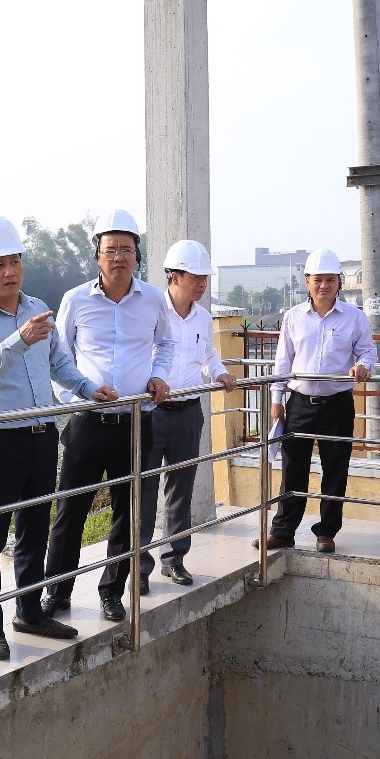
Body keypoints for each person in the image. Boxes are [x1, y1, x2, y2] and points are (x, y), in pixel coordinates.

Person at [0, 216, 115, 661]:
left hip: (42, 437)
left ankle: (29, 612)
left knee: (34, 530)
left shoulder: (38, 307)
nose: (10, 271)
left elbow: (59, 363)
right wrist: (19, 340)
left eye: (15, 262)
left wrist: (88, 389)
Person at [40, 209, 174, 623]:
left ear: (137, 256)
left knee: (128, 512)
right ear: (97, 255)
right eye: (111, 249)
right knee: (70, 512)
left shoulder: (153, 299)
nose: (119, 257)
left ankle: (112, 592)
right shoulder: (76, 299)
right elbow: (57, 354)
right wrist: (74, 397)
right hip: (87, 423)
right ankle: (56, 592)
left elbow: (166, 344)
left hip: (135, 422)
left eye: (127, 250)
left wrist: (159, 375)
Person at [258, 248, 375, 553]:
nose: (324, 285)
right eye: (318, 280)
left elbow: (367, 351)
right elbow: (283, 360)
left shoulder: (355, 317)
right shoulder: (293, 317)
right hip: (299, 402)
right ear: (307, 282)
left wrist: (363, 365)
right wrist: (276, 397)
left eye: (330, 280)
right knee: (292, 470)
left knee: (335, 469)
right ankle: (283, 531)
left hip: (337, 404)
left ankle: (326, 532)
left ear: (339, 282)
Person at [139, 239, 236, 586]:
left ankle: (174, 559)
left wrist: (220, 373)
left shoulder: (203, 318)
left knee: (181, 489)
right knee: (144, 490)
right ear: (174, 276)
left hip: (188, 413)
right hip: (151, 412)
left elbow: (208, 356)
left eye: (205, 278)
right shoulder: (150, 312)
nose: (202, 284)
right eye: (196, 277)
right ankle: (139, 566)